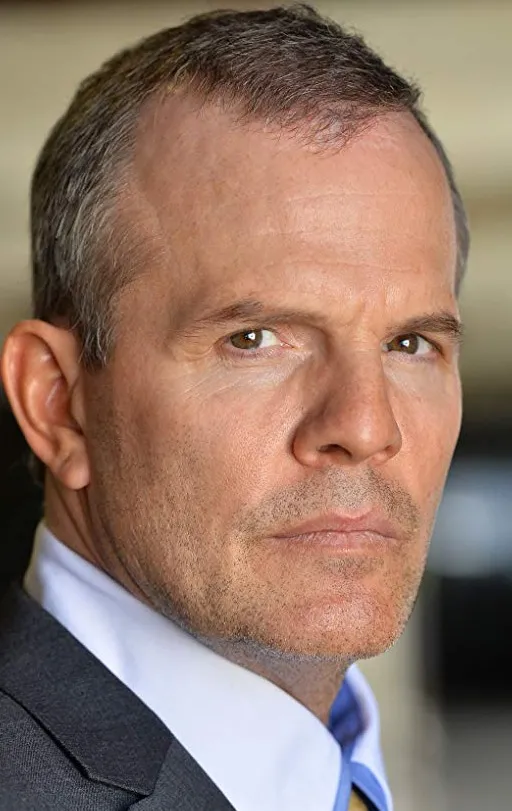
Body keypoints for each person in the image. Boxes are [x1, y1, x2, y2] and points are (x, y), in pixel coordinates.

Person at [0, 5, 469, 810]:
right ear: (58, 404)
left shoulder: (337, 760)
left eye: (410, 343)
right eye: (254, 339)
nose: (366, 427)